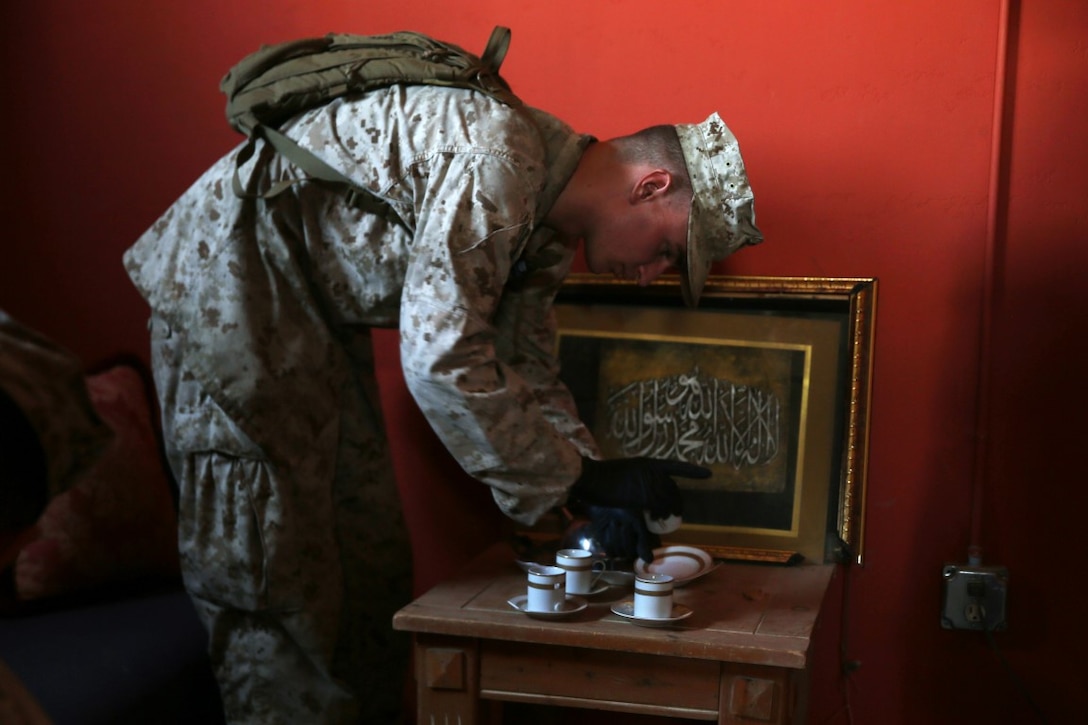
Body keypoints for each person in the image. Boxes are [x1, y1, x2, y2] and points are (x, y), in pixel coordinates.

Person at [122, 64, 762, 724]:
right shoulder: (501, 159)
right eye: (666, 249)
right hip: (226, 294)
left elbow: (526, 371)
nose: (651, 273)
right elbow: (441, 356)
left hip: (308, 320)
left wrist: (585, 489)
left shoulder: (546, 231)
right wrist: (577, 479)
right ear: (651, 185)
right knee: (276, 582)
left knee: (369, 563)